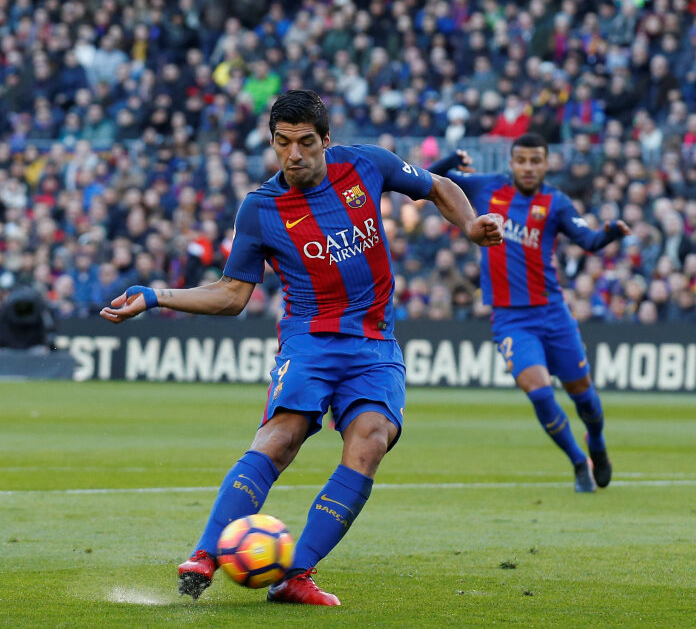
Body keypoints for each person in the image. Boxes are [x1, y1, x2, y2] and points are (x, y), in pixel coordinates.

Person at [100, 90, 502, 606]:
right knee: (283, 435)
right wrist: (156, 295)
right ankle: (205, 554)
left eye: (305, 143)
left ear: (325, 141)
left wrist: (469, 225)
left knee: (371, 439)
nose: (294, 155)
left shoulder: (366, 163)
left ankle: (295, 575)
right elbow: (231, 294)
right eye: (282, 143)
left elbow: (438, 185)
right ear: (272, 142)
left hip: (375, 340)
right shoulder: (261, 209)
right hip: (309, 339)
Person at [429, 134, 629, 492]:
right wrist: (449, 161)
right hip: (510, 318)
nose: (528, 167)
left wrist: (610, 234)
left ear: (546, 163)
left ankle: (596, 441)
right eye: (521, 160)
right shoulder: (485, 187)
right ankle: (577, 461)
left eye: (535, 160)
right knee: (538, 391)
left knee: (582, 393)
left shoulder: (556, 203)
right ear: (512, 162)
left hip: (553, 314)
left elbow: (589, 240)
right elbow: (426, 179)